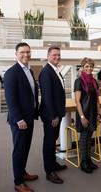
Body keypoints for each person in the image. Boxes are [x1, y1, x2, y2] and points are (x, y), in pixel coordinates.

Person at [3, 42, 39, 192]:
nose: (26, 55)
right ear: (16, 54)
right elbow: (10, 99)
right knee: (19, 150)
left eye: (28, 52)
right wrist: (19, 119)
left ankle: (22, 173)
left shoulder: (29, 71)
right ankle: (18, 182)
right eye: (22, 52)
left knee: (25, 148)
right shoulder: (12, 72)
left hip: (29, 118)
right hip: (20, 121)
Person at [39, 46, 67, 184]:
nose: (57, 57)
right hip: (51, 115)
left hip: (56, 113)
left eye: (59, 55)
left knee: (53, 140)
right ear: (48, 56)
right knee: (49, 142)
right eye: (54, 55)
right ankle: (49, 172)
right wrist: (53, 115)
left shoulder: (55, 71)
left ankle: (53, 164)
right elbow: (47, 97)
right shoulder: (46, 72)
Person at [74, 57, 101, 173]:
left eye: (91, 66)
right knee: (84, 138)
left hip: (93, 112)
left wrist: (98, 113)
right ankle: (83, 162)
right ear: (82, 68)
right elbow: (77, 101)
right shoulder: (78, 81)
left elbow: (96, 100)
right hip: (84, 113)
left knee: (90, 138)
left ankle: (88, 159)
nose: (89, 68)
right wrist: (82, 117)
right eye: (86, 66)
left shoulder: (94, 81)